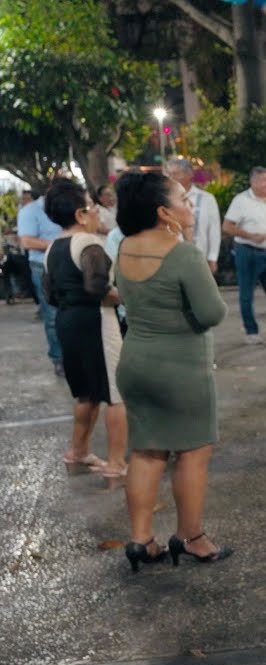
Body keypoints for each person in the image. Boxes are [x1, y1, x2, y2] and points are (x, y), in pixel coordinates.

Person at [112, 171, 232, 572]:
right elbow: (212, 312)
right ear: (164, 212)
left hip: (135, 362)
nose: (190, 204)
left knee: (146, 451)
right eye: (183, 199)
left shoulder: (126, 247)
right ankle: (191, 537)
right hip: (180, 368)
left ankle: (140, 540)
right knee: (193, 454)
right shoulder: (183, 255)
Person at [42, 179, 128, 481]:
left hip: (67, 321)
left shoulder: (53, 247)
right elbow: (99, 288)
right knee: (116, 396)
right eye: (92, 209)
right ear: (80, 215)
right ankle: (117, 463)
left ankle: (77, 452)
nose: (97, 215)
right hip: (97, 321)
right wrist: (130, 295)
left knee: (86, 393)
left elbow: (49, 293)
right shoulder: (90, 244)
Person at [223, 167, 266, 344]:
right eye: (263, 180)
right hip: (248, 251)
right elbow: (227, 226)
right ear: (252, 182)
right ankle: (251, 331)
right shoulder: (241, 200)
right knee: (247, 293)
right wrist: (250, 236)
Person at [17, 190, 64, 374]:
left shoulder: (66, 208)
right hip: (43, 266)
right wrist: (61, 244)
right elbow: (27, 242)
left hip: (69, 262)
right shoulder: (30, 211)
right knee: (52, 315)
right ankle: (58, 357)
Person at [164, 158, 223, 274]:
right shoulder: (162, 199)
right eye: (168, 174)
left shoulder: (207, 199)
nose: (171, 178)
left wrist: (212, 258)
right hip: (169, 258)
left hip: (199, 257)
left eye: (176, 173)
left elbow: (214, 230)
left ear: (189, 174)